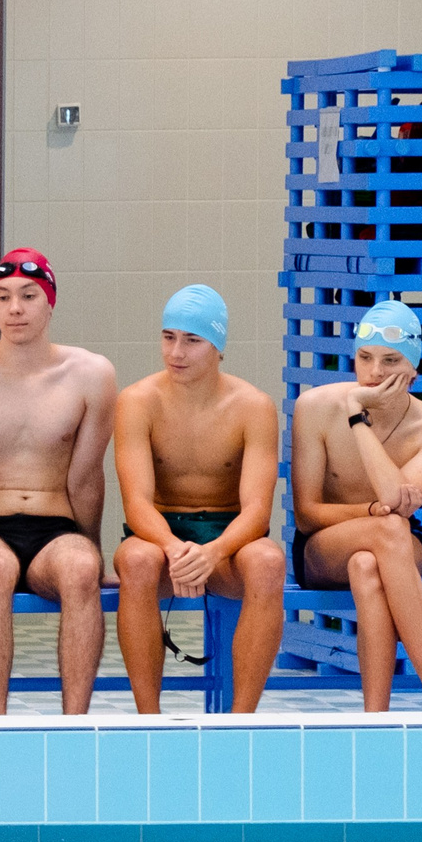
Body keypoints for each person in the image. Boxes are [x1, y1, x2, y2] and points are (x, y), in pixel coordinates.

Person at [0, 249, 118, 715]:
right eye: (3, 297)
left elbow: (87, 478)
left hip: (56, 526)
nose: (15, 308)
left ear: (50, 302)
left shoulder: (91, 375)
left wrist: (94, 551)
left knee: (79, 570)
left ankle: (76, 723)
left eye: (28, 296)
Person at [111, 285, 286, 714]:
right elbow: (136, 504)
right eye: (168, 337)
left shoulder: (253, 407)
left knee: (268, 562)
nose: (176, 352)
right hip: (159, 533)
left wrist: (213, 552)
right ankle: (147, 718)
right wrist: (175, 549)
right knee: (135, 561)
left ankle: (241, 720)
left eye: (192, 340)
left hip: (229, 539)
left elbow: (258, 512)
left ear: (219, 347)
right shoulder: (137, 401)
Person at [289, 300, 422, 712]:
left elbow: (394, 502)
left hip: (397, 548)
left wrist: (359, 420)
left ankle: (376, 717)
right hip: (323, 547)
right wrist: (371, 512)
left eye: (391, 360)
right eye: (365, 358)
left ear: (413, 372)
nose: (374, 372)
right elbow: (308, 514)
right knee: (388, 530)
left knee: (368, 564)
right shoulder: (314, 408)